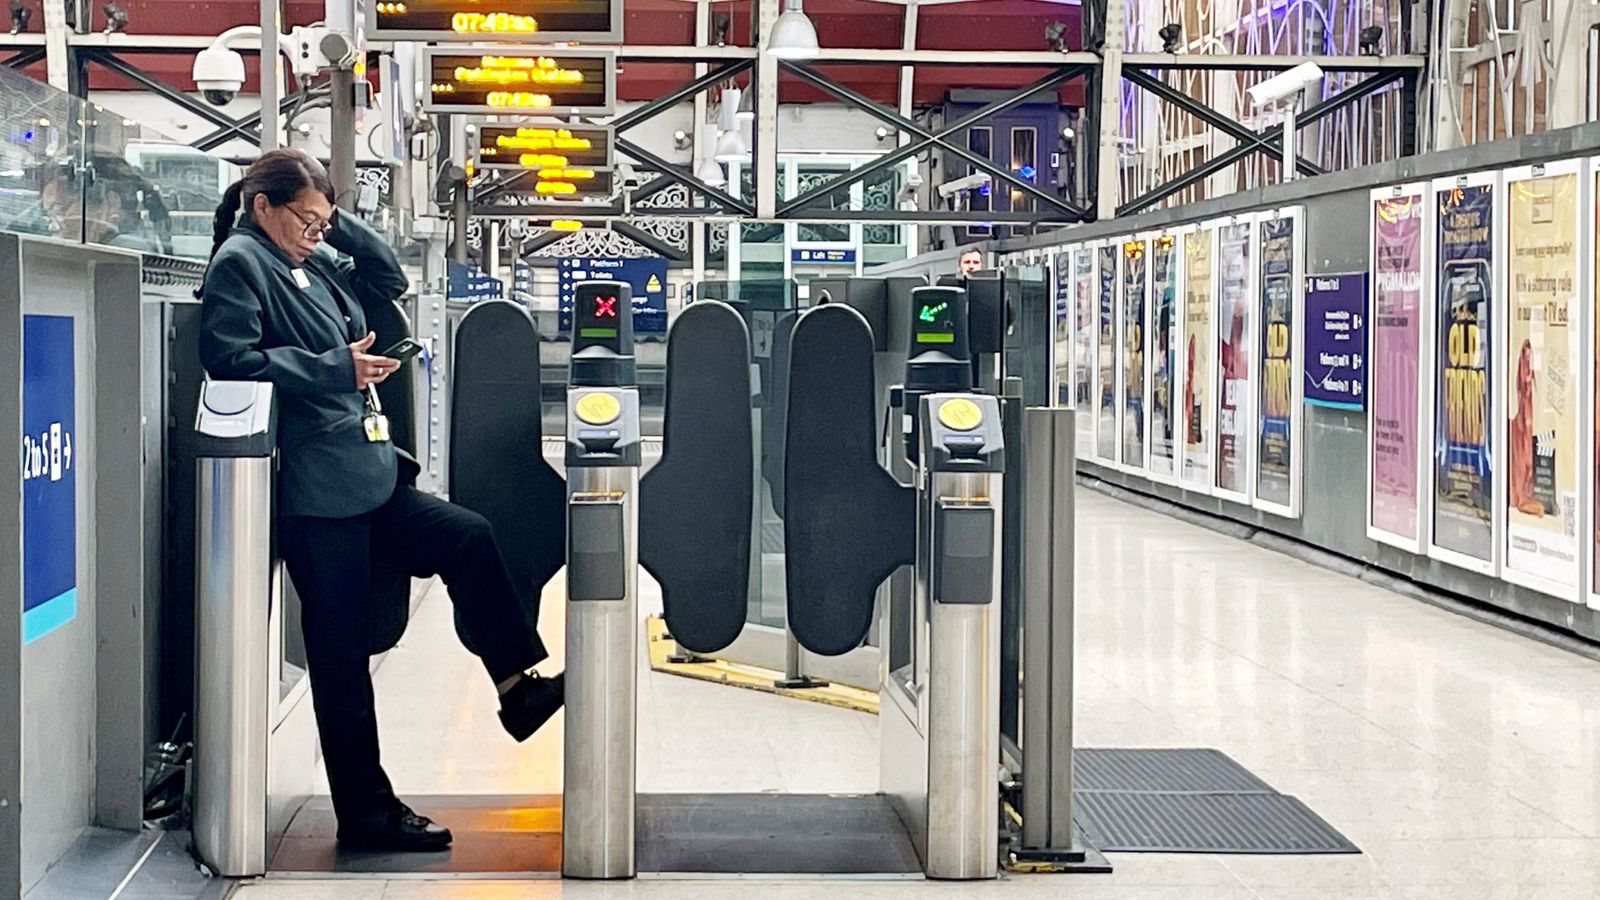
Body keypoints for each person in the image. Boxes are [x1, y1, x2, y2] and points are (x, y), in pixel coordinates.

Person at [196, 148, 563, 852]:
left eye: (321, 219)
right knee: (340, 659)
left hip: (366, 477)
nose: (314, 230)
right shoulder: (242, 263)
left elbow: (386, 277)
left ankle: (517, 685)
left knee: (466, 535)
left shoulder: (304, 263)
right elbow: (229, 359)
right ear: (261, 206)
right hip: (316, 491)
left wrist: (335, 224)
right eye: (303, 217)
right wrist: (338, 367)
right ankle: (367, 813)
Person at [38, 154, 171, 254]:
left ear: (111, 205)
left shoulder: (124, 254)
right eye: (48, 212)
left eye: (61, 208)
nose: (53, 226)